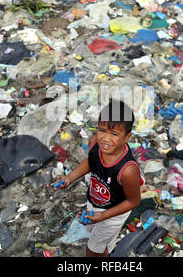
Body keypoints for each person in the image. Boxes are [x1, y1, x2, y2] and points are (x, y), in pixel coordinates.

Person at [51, 99, 144, 257]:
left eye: (114, 134)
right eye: (102, 130)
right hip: (95, 202)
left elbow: (133, 201)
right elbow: (90, 162)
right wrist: (69, 178)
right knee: (99, 240)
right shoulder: (95, 142)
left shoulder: (127, 171)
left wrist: (103, 216)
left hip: (113, 213)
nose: (105, 139)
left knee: (92, 251)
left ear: (127, 137)